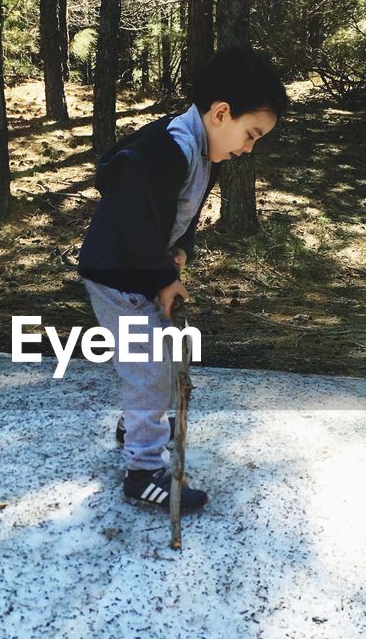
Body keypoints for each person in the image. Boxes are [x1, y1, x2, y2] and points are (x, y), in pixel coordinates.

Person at [78, 46, 290, 511]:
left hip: (138, 272)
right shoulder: (168, 148)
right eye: (250, 135)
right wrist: (160, 275)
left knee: (159, 363)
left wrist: (178, 251)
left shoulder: (204, 155)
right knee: (150, 370)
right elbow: (133, 212)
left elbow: (181, 215)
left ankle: (137, 424)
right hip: (118, 277)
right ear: (221, 113)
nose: (249, 148)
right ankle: (143, 471)